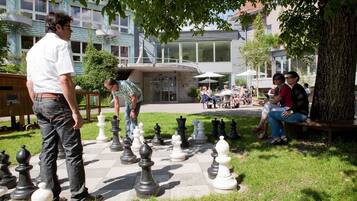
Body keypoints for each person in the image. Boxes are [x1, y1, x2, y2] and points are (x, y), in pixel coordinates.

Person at [26, 12, 103, 201]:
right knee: (72, 150)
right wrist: (75, 111)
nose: (71, 31)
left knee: (48, 150)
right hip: (57, 101)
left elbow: (29, 84)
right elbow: (64, 80)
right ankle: (79, 196)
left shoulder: (33, 49)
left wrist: (38, 104)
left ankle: (50, 195)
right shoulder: (60, 45)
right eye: (69, 27)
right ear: (58, 27)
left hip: (39, 101)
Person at [268, 71, 309, 145]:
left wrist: (291, 111)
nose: (287, 79)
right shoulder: (294, 88)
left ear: (296, 78)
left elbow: (301, 103)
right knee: (272, 115)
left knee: (271, 114)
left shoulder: (297, 88)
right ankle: (282, 137)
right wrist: (290, 110)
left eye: (289, 77)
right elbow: (295, 104)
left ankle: (277, 138)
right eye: (286, 78)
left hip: (300, 115)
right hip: (297, 113)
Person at [252, 73, 293, 139]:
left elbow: (276, 100)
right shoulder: (278, 88)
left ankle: (261, 128)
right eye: (275, 79)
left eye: (278, 79)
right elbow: (273, 100)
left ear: (282, 79)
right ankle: (279, 135)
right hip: (283, 107)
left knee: (269, 110)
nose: (276, 80)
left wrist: (268, 101)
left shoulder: (285, 87)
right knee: (268, 108)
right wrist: (266, 101)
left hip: (289, 109)